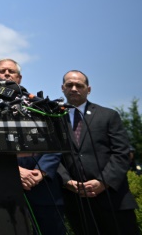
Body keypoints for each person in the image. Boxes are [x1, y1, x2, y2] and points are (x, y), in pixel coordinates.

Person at [57, 70, 139, 235]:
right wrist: (66, 181)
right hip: (77, 202)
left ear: (88, 89)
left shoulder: (108, 115)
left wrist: (103, 182)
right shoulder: (54, 118)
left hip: (113, 199)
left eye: (79, 85)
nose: (74, 89)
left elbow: (122, 153)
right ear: (62, 88)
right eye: (69, 85)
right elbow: (52, 155)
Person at [0, 59, 65, 235]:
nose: (7, 74)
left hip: (42, 187)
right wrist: (13, 170)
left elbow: (56, 143)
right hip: (3, 190)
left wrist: (41, 172)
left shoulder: (37, 105)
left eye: (11, 71)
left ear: (20, 78)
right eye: (2, 71)